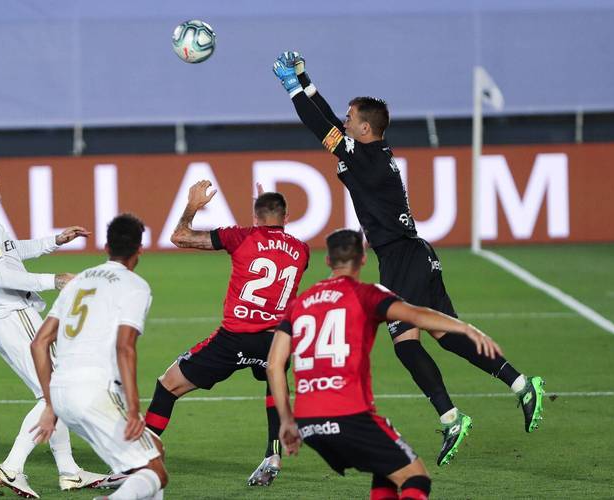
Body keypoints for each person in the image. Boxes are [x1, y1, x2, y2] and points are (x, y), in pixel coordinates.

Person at [272, 52, 545, 466]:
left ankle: (451, 417)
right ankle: (522, 384)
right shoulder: (371, 153)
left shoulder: (366, 157)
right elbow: (330, 125)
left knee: (405, 343)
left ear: (365, 127)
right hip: (414, 254)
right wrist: (306, 81)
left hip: (402, 256)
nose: (345, 121)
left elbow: (321, 128)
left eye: (351, 117)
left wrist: (292, 89)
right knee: (446, 335)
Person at [267, 229, 505, 499]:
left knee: (386, 470)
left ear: (328, 260)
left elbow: (274, 365)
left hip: (308, 423)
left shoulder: (299, 304)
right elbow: (417, 315)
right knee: (416, 477)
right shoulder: (366, 294)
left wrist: (286, 420)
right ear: (363, 258)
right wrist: (466, 328)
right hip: (350, 416)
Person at [0, 156, 107, 498]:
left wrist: (54, 241)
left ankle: (70, 471)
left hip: (7, 317)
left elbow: (9, 252)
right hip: (14, 315)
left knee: (53, 393)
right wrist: (55, 280)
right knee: (56, 393)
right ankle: (12, 468)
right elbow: (2, 275)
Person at [143, 180, 310, 486]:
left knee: (168, 385)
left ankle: (139, 457)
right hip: (276, 340)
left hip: (234, 339)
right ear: (286, 218)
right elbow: (275, 247)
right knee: (274, 381)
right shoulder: (302, 250)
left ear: (255, 217)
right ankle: (273, 454)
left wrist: (192, 206)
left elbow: (180, 236)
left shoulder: (241, 237)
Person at [30, 213, 168, 500]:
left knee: (153, 451)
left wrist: (51, 405)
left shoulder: (78, 282)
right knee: (156, 472)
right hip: (96, 392)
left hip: (63, 395)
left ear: (106, 247)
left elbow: (39, 343)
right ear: (140, 249)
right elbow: (125, 347)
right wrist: (134, 409)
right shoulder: (135, 286)